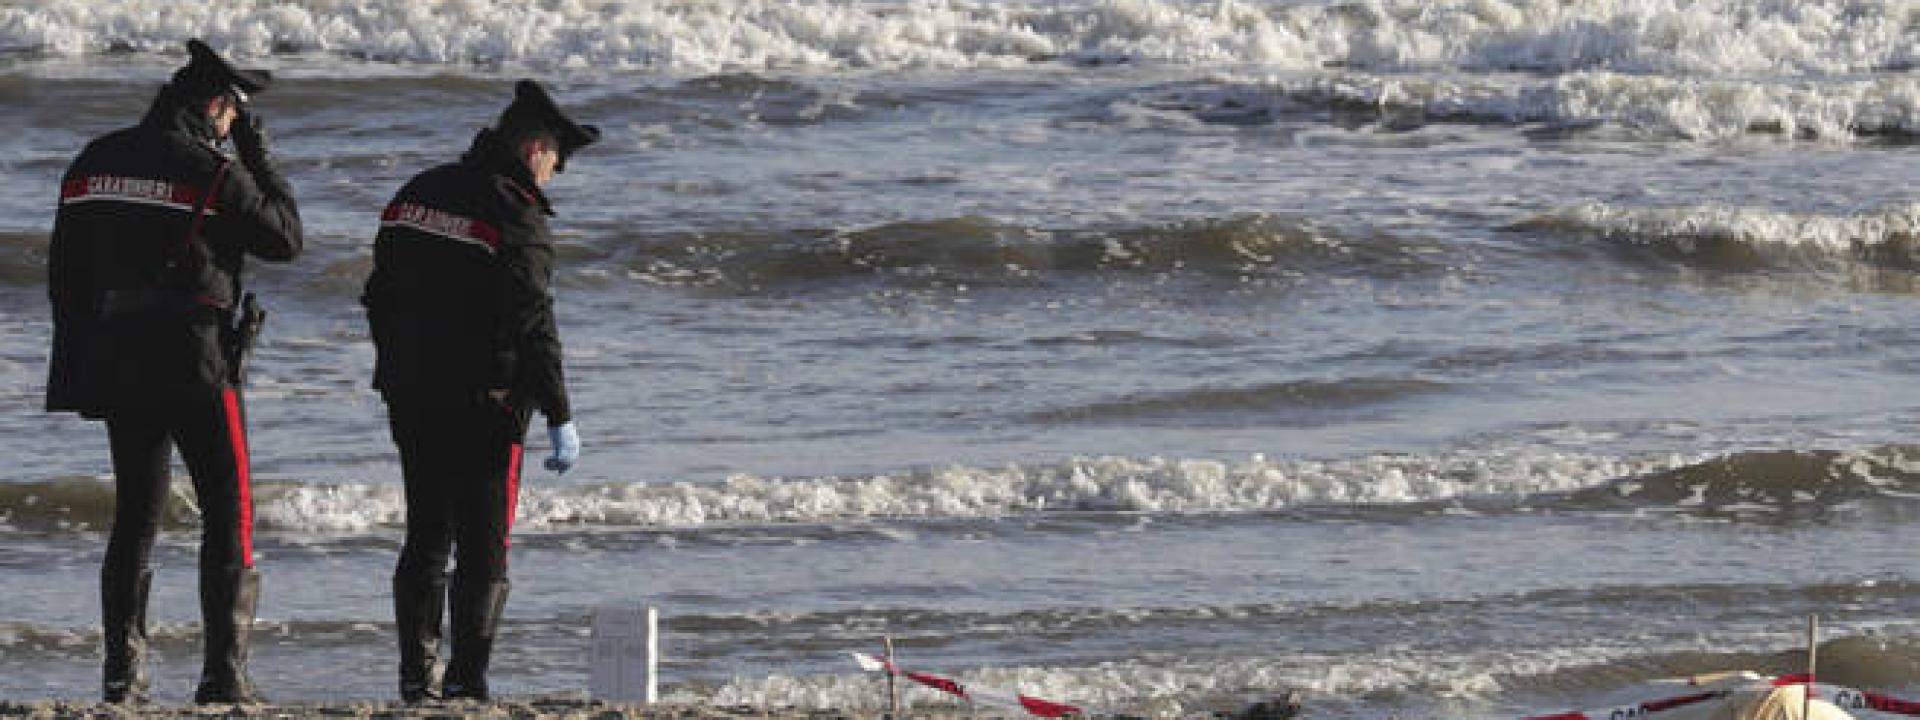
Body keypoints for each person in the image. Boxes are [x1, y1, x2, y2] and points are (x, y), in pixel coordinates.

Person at [44, 39, 303, 704]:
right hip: (197, 359)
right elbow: (285, 237)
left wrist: (78, 359)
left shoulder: (92, 162)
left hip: (118, 355)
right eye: (232, 115)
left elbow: (64, 277)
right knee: (229, 508)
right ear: (218, 106)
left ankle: (122, 675)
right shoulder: (210, 169)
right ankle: (224, 675)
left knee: (136, 513)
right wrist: (257, 154)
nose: (232, 125)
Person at [361, 79, 596, 702]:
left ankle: (417, 675)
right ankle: (468, 681)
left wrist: (397, 365)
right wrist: (560, 413)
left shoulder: (417, 192)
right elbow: (534, 322)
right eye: (555, 161)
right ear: (534, 148)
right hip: (487, 404)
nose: (552, 176)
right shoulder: (516, 214)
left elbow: (377, 293)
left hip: (411, 393)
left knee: (426, 536)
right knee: (484, 545)